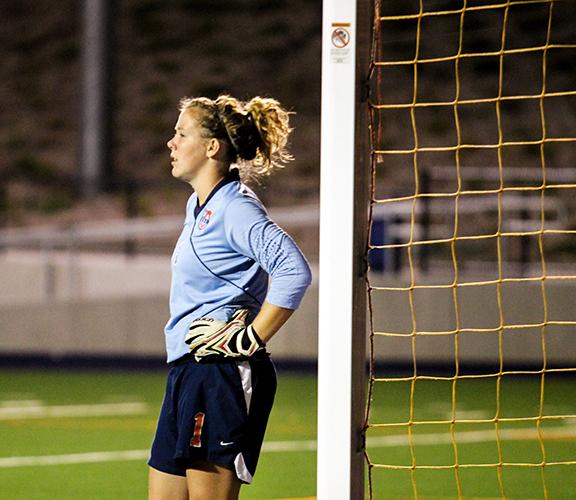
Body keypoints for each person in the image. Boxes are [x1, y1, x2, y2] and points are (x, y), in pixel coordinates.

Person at [148, 94, 312, 500]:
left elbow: (294, 270)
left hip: (220, 375)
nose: (171, 142)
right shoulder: (200, 205)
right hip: (187, 371)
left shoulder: (235, 208)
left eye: (181, 133)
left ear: (211, 147)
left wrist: (250, 337)